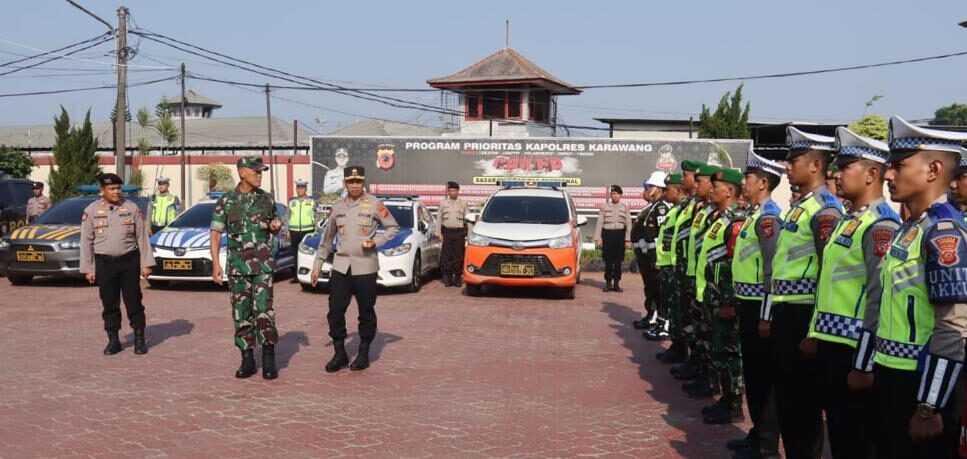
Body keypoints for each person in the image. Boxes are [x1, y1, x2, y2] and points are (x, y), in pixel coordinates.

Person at [858, 116, 967, 458]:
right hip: (891, 376)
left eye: (899, 165)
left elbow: (953, 325)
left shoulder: (944, 232)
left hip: (920, 384)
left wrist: (929, 406)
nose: (888, 174)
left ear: (933, 169)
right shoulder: (910, 228)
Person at [804, 127, 899, 459]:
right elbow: (828, 283)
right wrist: (814, 332)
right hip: (832, 344)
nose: (835, 174)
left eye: (845, 167)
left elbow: (879, 298)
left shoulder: (881, 225)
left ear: (872, 174)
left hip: (855, 349)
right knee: (841, 435)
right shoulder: (848, 221)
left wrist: (864, 364)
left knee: (857, 440)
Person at [760, 127, 843, 459]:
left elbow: (828, 273)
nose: (786, 165)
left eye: (794, 159)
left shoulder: (825, 209)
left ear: (815, 166)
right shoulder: (799, 207)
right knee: (789, 402)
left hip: (804, 314)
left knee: (804, 405)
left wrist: (814, 329)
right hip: (786, 309)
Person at [311, 166, 399, 372]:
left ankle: (363, 352)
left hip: (365, 267)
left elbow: (393, 227)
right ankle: (340, 352)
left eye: (358, 181)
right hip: (341, 267)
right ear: (345, 183)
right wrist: (317, 265)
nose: (355, 185)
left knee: (366, 312)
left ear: (363, 182)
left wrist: (376, 242)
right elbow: (327, 239)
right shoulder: (338, 206)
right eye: (351, 182)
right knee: (335, 311)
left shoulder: (375, 204)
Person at [728, 147, 784, 459]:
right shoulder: (754, 216)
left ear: (763, 182)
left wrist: (766, 315)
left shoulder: (769, 219)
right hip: (746, 304)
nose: (744, 182)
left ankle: (766, 444)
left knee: (764, 378)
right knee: (754, 376)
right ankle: (757, 432)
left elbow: (771, 270)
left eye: (748, 177)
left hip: (759, 308)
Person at [210, 157, 283, 380]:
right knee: (241, 313)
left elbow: (275, 226)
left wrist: (275, 227)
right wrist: (216, 264)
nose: (260, 175)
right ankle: (247, 359)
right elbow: (215, 234)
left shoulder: (266, 199)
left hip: (262, 265)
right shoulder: (227, 201)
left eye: (261, 171)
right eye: (256, 171)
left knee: (264, 311)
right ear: (242, 173)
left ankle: (269, 359)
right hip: (238, 266)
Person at [79, 173, 154, 355]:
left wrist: (146, 263)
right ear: (102, 191)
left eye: (118, 188)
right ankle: (113, 340)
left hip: (129, 261)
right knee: (109, 303)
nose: (116, 192)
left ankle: (139, 338)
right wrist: (88, 268)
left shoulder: (131, 208)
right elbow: (86, 241)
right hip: (104, 263)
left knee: (134, 300)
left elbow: (142, 237)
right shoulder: (91, 211)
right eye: (112, 189)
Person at [698, 168, 747, 425]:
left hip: (726, 300)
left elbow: (734, 265)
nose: (712, 189)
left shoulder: (736, 222)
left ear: (729, 191)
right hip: (714, 295)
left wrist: (729, 300)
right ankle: (725, 398)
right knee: (719, 349)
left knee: (730, 352)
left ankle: (734, 403)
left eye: (717, 186)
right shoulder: (719, 218)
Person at [657, 159, 703, 365]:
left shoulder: (699, 206)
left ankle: (693, 359)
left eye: (686, 175)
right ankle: (679, 348)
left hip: (691, 271)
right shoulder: (687, 205)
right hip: (680, 266)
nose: (684, 178)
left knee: (691, 318)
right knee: (678, 311)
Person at [681, 164, 722, 400]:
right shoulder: (706, 210)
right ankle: (702, 373)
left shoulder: (725, 216)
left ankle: (716, 386)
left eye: (702, 182)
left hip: (714, 289)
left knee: (716, 342)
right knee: (701, 333)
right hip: (699, 283)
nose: (697, 185)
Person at [645, 173, 685, 341]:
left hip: (674, 265)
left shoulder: (680, 210)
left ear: (677, 190)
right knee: (665, 297)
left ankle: (666, 327)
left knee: (671, 302)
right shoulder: (675, 210)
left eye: (667, 190)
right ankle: (668, 332)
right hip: (667, 262)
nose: (665, 193)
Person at [632, 171, 669, 330]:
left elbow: (659, 236)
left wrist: (656, 259)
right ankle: (651, 315)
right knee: (650, 288)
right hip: (646, 256)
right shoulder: (652, 206)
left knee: (657, 289)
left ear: (659, 188)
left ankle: (658, 318)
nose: (647, 190)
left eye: (650, 186)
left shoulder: (661, 207)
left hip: (654, 257)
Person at [595, 185, 632, 292]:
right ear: (611, 195)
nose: (615, 196)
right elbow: (599, 223)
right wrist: (598, 238)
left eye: (617, 194)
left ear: (620, 195)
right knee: (608, 260)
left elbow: (629, 224)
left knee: (618, 261)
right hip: (607, 235)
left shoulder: (624, 208)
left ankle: (616, 284)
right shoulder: (605, 207)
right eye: (613, 194)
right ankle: (608, 284)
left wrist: (628, 239)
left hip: (620, 236)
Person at [436, 181, 469, 287]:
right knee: (447, 255)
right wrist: (439, 233)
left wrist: (469, 235)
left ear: (458, 191)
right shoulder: (443, 203)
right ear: (449, 191)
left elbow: (468, 220)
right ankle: (448, 277)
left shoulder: (463, 203)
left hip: (459, 233)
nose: (453, 192)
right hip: (447, 232)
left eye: (455, 190)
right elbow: (439, 219)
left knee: (458, 256)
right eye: (451, 190)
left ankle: (458, 277)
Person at [288, 179, 317, 248]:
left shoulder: (312, 201)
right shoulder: (291, 202)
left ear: (306, 189)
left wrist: (316, 231)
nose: (299, 190)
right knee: (295, 253)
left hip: (308, 231)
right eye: (298, 187)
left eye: (302, 187)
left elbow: (317, 216)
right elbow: (288, 216)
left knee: (308, 253)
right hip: (294, 231)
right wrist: (287, 230)